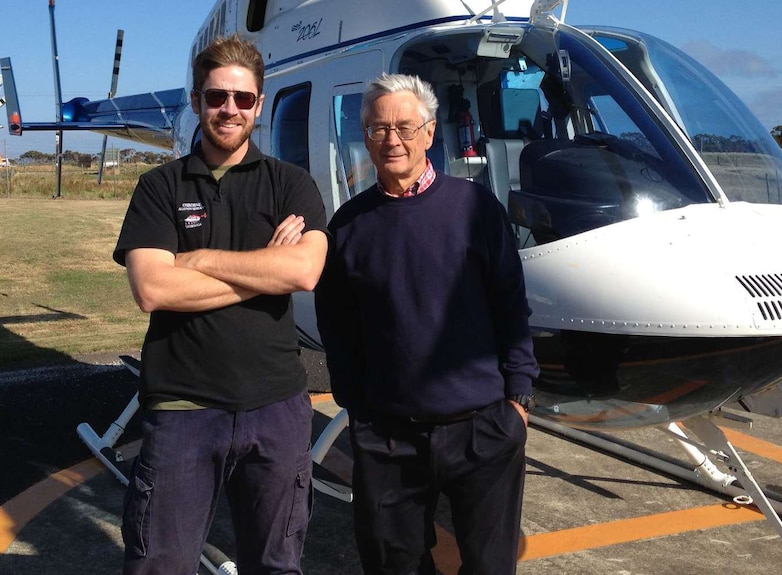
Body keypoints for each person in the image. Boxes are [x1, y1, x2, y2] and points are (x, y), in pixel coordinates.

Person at [113, 34, 328, 575]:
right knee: (160, 566)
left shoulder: (291, 185)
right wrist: (264, 271)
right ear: (196, 101)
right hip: (183, 409)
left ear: (258, 103)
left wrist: (196, 258)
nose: (228, 109)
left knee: (277, 564)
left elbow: (303, 270)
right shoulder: (159, 187)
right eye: (216, 97)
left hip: (275, 408)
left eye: (242, 98)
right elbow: (153, 290)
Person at [315, 73, 539, 575]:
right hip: (388, 438)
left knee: (488, 567)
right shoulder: (349, 226)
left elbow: (511, 304)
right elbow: (338, 326)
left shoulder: (475, 207)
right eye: (377, 129)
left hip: (483, 428)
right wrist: (359, 407)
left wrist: (518, 403)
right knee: (392, 565)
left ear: (430, 133)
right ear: (364, 136)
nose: (392, 139)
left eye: (404, 127)